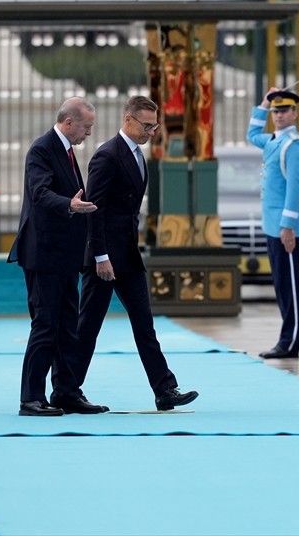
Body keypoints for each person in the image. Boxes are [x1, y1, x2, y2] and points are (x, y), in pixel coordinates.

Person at [74, 96, 199, 410]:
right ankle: (67, 389)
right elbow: (94, 211)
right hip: (105, 258)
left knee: (144, 324)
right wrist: (100, 256)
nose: (151, 132)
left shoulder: (137, 155)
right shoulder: (107, 155)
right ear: (127, 120)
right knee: (88, 325)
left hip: (128, 254)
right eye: (146, 125)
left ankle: (164, 390)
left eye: (154, 126)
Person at [9, 97, 108, 416]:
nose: (89, 133)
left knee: (68, 327)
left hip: (65, 256)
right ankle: (31, 397)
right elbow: (39, 193)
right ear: (69, 122)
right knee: (46, 325)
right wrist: (70, 205)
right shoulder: (42, 149)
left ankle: (66, 391)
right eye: (87, 126)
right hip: (44, 255)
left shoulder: (66, 151)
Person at [245, 87, 299, 359]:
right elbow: (250, 135)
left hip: (285, 227)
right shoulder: (272, 141)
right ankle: (285, 340)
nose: (279, 115)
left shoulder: (294, 145)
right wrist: (262, 103)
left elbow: (295, 187)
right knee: (282, 286)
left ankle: (290, 342)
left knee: (291, 287)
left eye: (284, 111)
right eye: (275, 111)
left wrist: (288, 226)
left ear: (294, 114)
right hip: (272, 225)